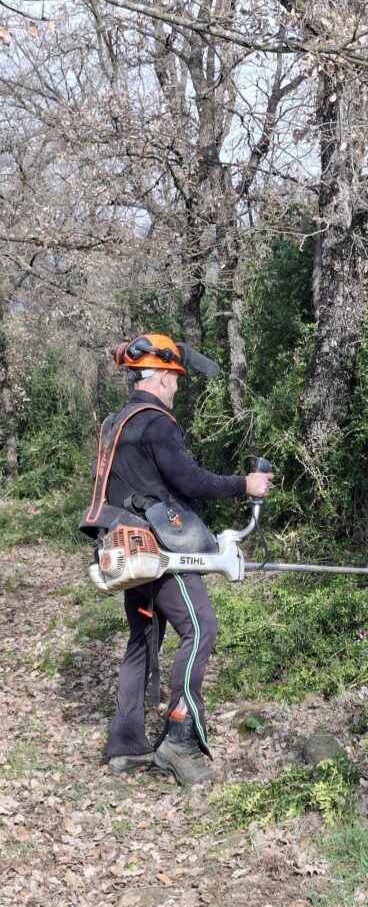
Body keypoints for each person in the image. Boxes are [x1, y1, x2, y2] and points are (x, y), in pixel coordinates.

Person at [93, 334, 272, 785]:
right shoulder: (156, 422)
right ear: (159, 377)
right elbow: (189, 480)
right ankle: (179, 739)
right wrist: (244, 484)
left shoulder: (116, 423)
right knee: (200, 627)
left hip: (124, 549)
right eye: (174, 379)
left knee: (143, 639)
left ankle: (127, 743)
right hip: (158, 552)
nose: (176, 388)